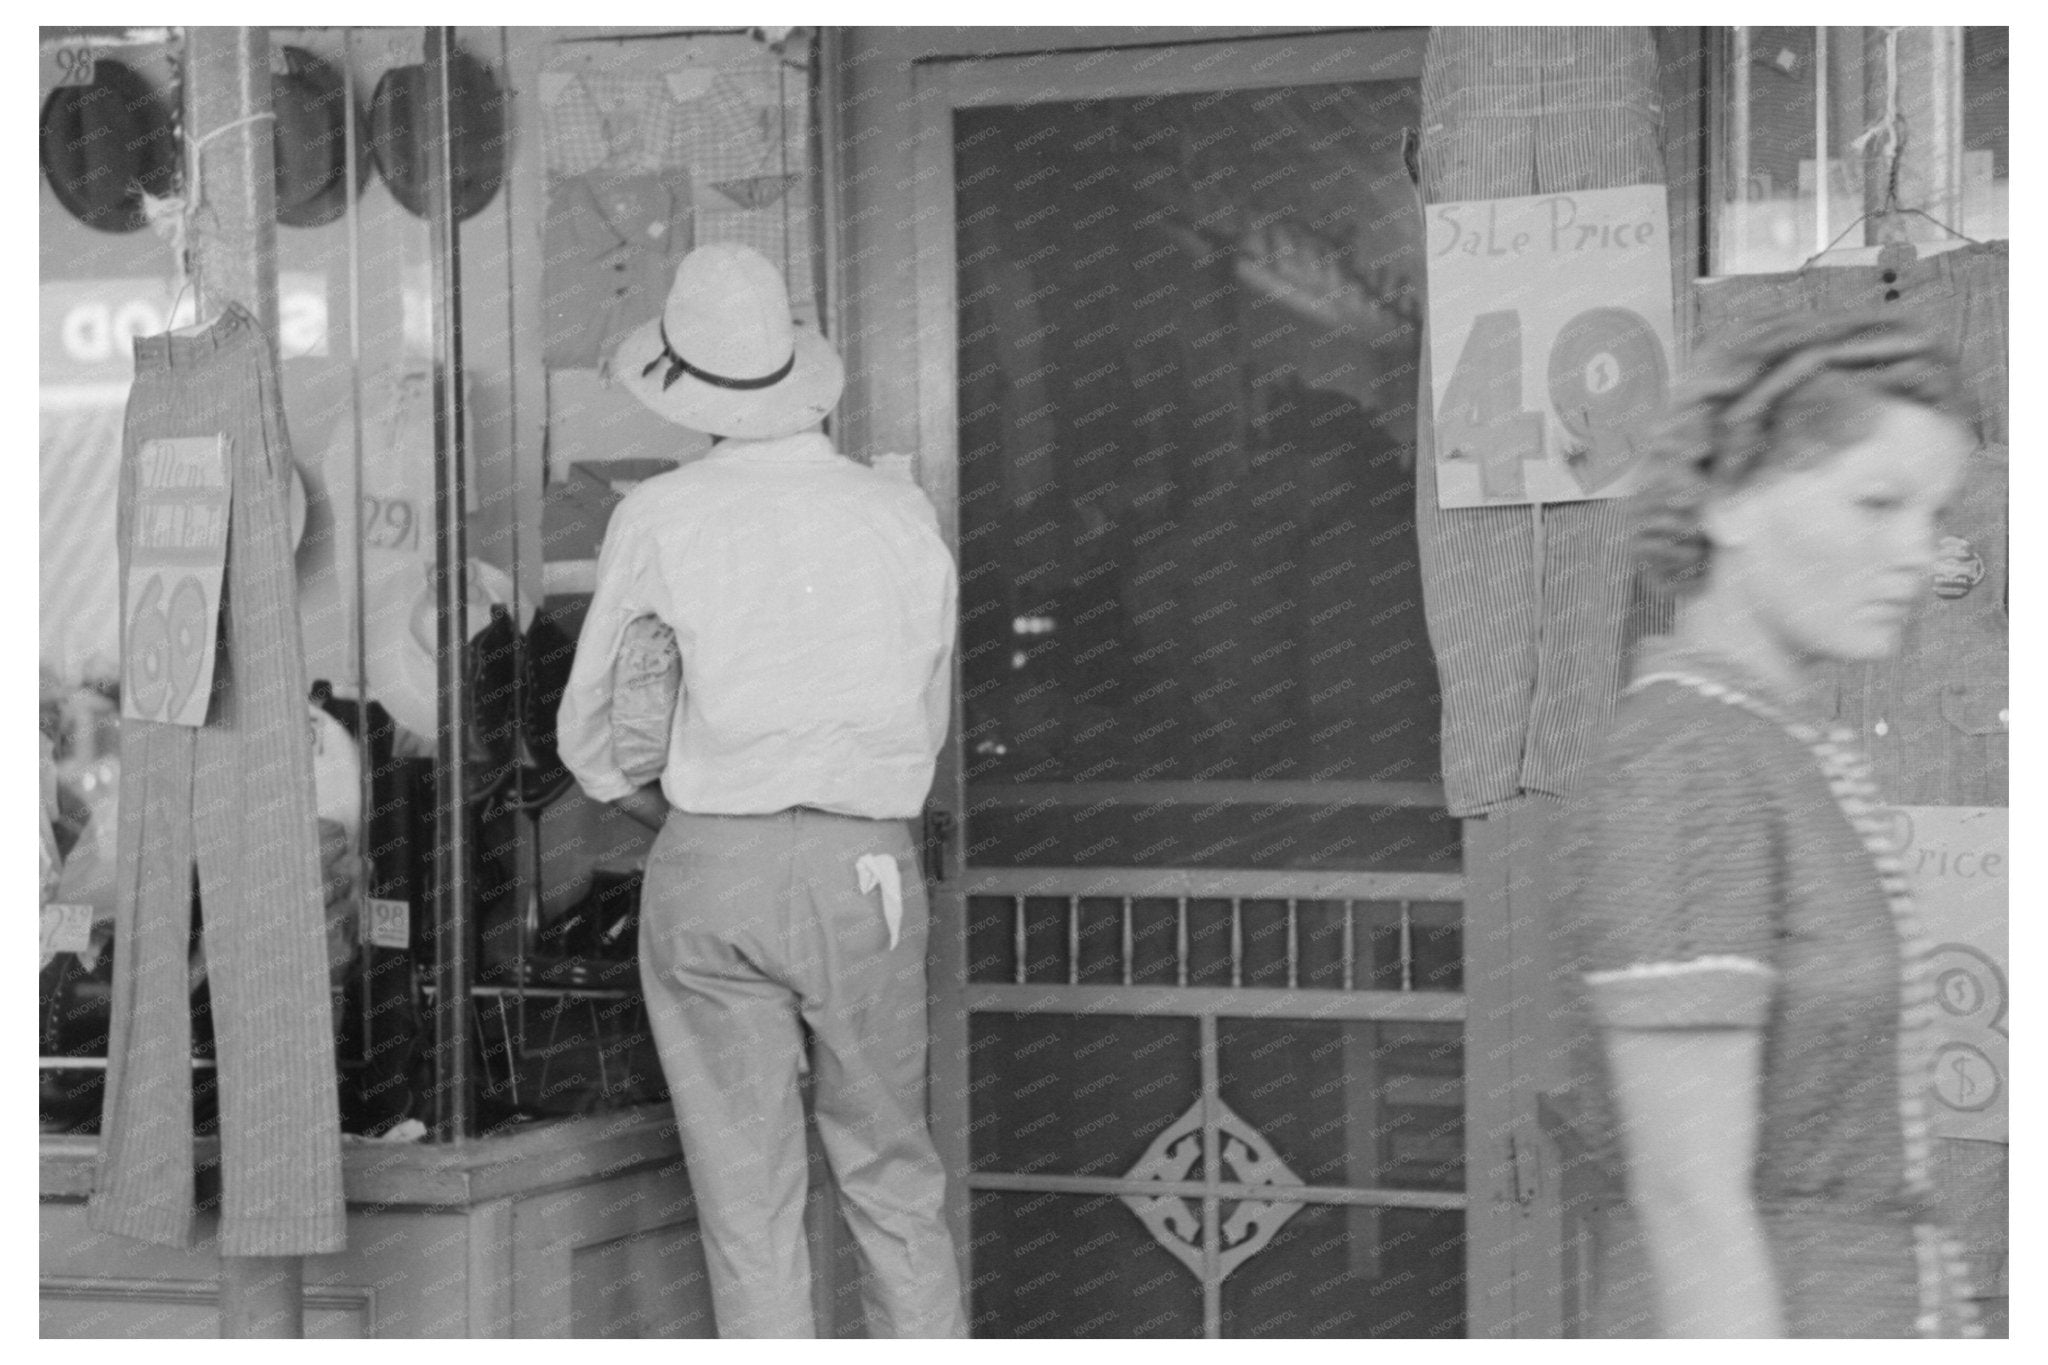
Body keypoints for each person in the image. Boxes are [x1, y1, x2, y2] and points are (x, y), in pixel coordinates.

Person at [556, 242, 966, 1337]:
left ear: (686, 390)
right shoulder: (897, 515)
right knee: (891, 1182)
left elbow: (592, 737)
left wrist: (672, 811)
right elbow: (921, 725)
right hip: (864, 866)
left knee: (747, 1198)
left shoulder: (661, 516)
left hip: (712, 865)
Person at [1552, 310, 1984, 1337]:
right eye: (1876, 504)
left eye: (1930, 518)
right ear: (1728, 500)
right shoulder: (1689, 764)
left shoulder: (1766, 742)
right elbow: (1687, 1201)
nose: (1916, 558)